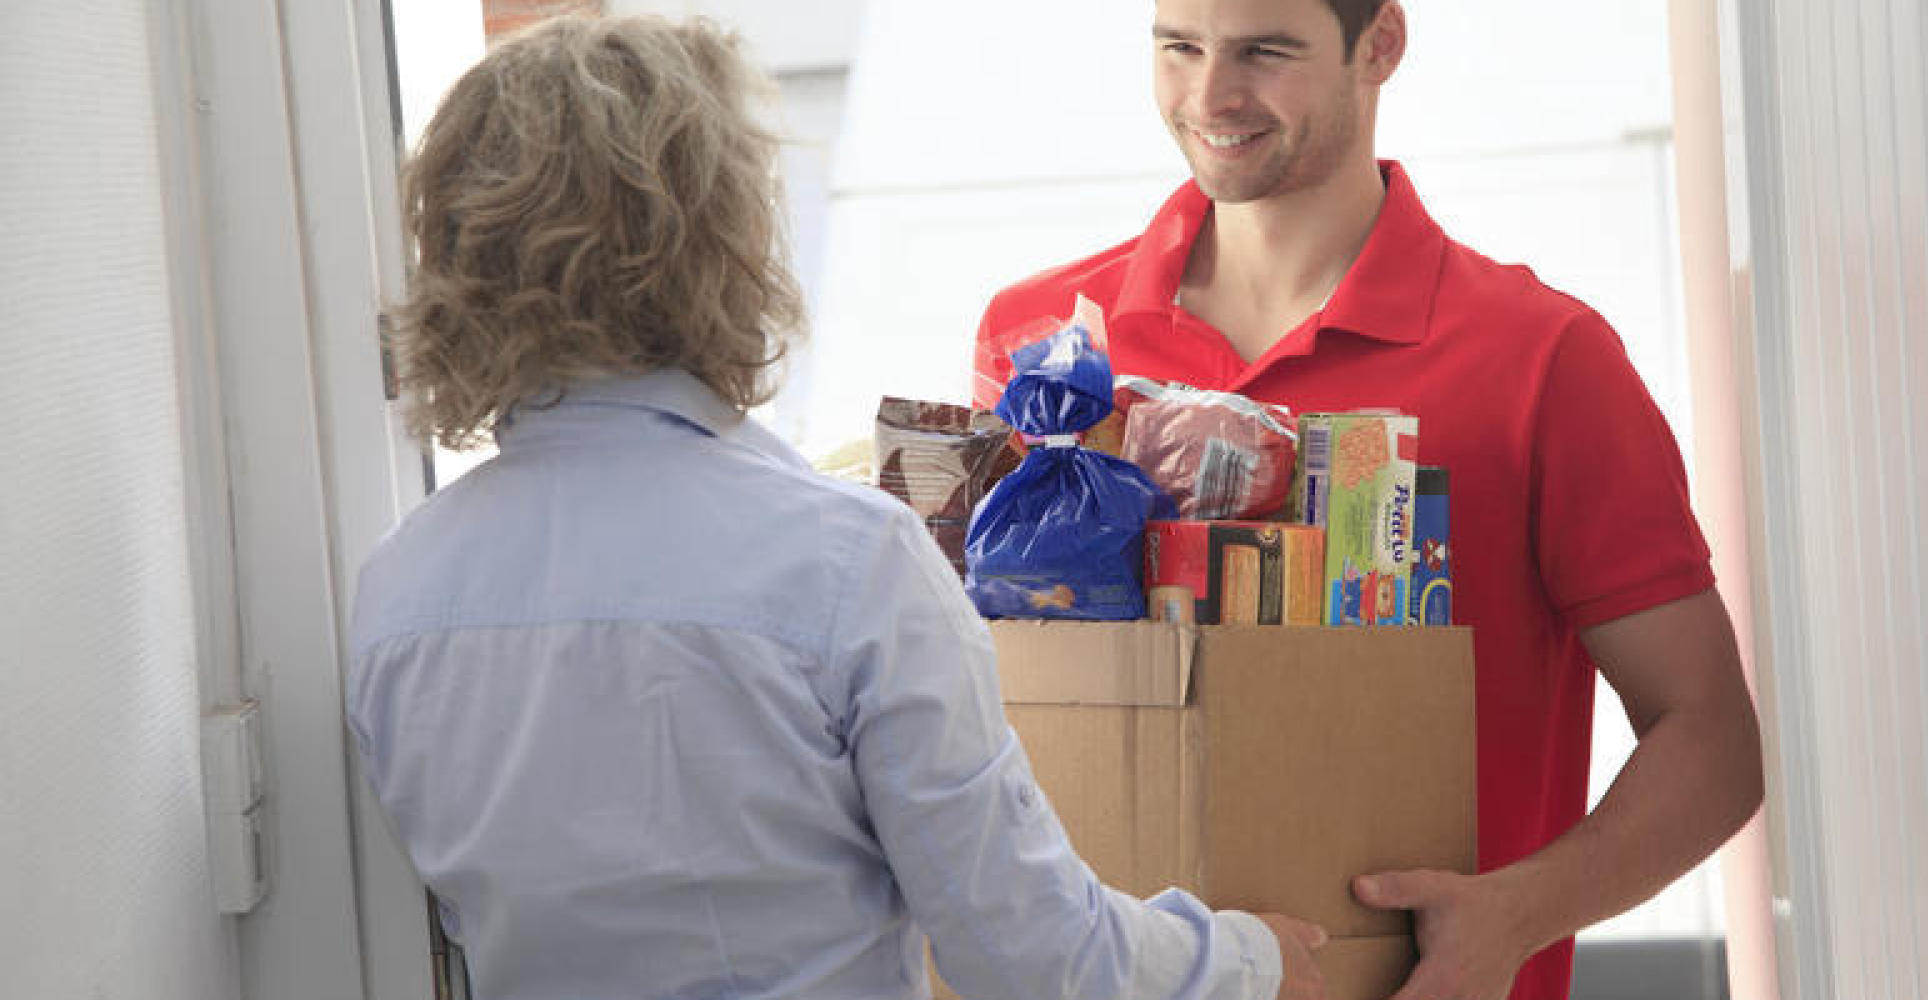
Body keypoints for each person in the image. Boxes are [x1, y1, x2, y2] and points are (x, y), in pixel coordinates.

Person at [346, 13, 1330, 1000]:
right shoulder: (841, 561)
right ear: (721, 239)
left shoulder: (400, 589)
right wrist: (1253, 956)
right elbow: (1031, 959)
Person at [970, 2, 1765, 998]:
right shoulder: (1043, 346)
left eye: (1263, 52)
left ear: (1379, 43)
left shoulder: (1540, 360)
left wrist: (1515, 915)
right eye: (1177, 47)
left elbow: (1707, 739)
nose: (1208, 96)